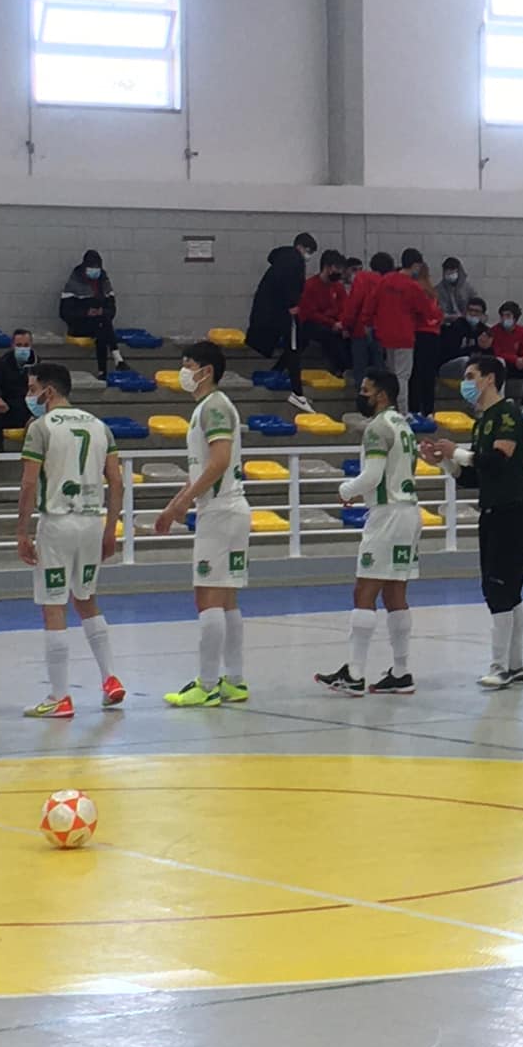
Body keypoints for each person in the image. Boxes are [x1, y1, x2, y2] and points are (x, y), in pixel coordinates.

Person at [16, 364, 126, 720]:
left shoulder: (40, 428)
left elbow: (29, 484)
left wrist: (21, 530)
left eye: (32, 389)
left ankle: (59, 696)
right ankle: (110, 677)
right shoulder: (100, 426)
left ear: (48, 391)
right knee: (87, 599)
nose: (30, 396)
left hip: (58, 523)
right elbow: (117, 482)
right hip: (92, 522)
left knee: (54, 606)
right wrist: (111, 529)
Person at [426, 354, 523, 689]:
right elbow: (475, 476)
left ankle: (500, 666)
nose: (467, 383)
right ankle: (515, 665)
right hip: (491, 509)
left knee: (500, 588)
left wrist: (457, 452)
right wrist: (445, 461)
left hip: (512, 511)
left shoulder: (507, 413)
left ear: (489, 379)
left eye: (471, 376)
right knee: (504, 590)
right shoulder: (482, 420)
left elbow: (498, 460)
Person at [153, 341, 251, 707]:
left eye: (188, 364)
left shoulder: (214, 406)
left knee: (207, 595)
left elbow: (219, 461)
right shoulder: (207, 408)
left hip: (221, 511)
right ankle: (234, 680)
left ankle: (207, 684)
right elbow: (202, 468)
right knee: (225, 597)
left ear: (206, 371)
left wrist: (184, 502)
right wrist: (173, 505)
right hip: (226, 509)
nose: (184, 371)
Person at [316, 368, 419, 698]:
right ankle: (401, 672)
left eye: (365, 390)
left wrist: (345, 489)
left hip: (387, 514)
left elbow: (372, 476)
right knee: (395, 593)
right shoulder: (403, 425)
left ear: (382, 395)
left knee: (364, 591)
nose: (361, 395)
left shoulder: (377, 428)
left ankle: (355, 673)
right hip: (409, 513)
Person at [247, 232, 315, 392]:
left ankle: (285, 377)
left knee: (294, 346)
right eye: (308, 251)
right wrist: (292, 304)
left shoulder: (283, 259)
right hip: (282, 312)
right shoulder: (294, 260)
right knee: (294, 347)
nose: (308, 256)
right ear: (300, 247)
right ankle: (296, 389)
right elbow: (289, 285)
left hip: (270, 312)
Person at [371, 250, 437, 404]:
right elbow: (426, 311)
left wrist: (370, 323)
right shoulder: (412, 286)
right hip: (404, 336)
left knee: (392, 373)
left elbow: (372, 303)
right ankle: (401, 411)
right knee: (402, 376)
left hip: (386, 335)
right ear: (415, 265)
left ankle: (389, 406)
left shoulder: (385, 281)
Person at [58, 250, 120, 375]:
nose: (95, 270)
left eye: (97, 267)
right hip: (79, 325)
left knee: (102, 325)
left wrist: (102, 311)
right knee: (103, 325)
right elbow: (65, 313)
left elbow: (112, 309)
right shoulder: (74, 283)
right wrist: (86, 313)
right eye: (92, 267)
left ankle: (103, 371)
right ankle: (116, 358)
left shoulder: (104, 283)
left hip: (100, 324)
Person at [292, 248, 351, 378]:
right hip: (311, 324)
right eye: (337, 268)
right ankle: (342, 368)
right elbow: (310, 313)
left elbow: (344, 307)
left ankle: (350, 368)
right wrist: (331, 323)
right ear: (327, 267)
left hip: (333, 322)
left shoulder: (338, 287)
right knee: (328, 334)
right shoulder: (310, 285)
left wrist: (342, 324)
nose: (340, 272)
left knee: (349, 335)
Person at [401, 248, 445, 416]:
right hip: (433, 335)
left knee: (415, 374)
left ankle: (414, 408)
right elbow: (437, 314)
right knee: (429, 374)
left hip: (418, 332)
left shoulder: (414, 289)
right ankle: (428, 409)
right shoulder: (433, 292)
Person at [343, 252, 392, 398]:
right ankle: (382, 400)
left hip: (361, 328)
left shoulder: (362, 278)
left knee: (360, 368)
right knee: (380, 367)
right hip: (381, 329)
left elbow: (354, 304)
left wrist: (346, 324)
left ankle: (363, 401)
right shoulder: (388, 282)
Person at [0, 330, 39, 450]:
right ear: (12, 345)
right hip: (8, 406)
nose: (23, 349)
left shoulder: (37, 363)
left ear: (31, 345)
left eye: (26, 345)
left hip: (28, 405)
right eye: (19, 345)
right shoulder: (1, 362)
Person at [489, 301, 523, 402]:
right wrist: (515, 359)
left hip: (518, 364)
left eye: (508, 315)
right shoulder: (494, 331)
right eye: (502, 316)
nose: (504, 318)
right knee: (499, 364)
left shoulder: (522, 331)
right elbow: (497, 352)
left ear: (515, 318)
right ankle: (499, 400)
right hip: (503, 363)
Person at [435, 258, 479, 353]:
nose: (450, 275)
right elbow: (437, 310)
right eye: (448, 272)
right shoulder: (438, 290)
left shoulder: (468, 288)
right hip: (446, 326)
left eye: (453, 272)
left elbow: (477, 304)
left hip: (466, 323)